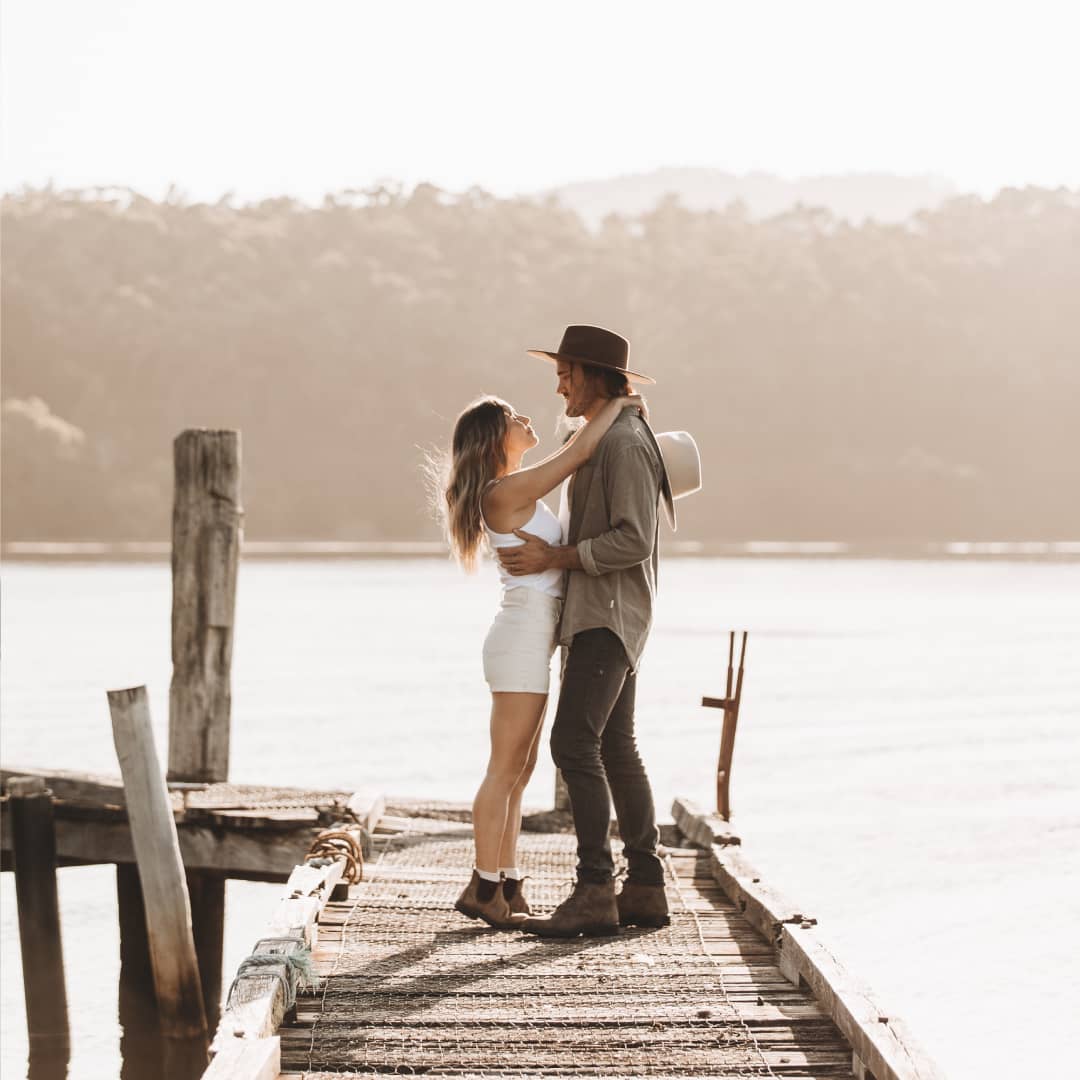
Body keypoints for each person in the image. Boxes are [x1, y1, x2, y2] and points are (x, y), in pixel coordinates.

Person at [437, 387, 646, 929]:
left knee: (521, 771)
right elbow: (576, 455)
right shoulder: (501, 492)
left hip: (530, 639)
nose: (525, 417)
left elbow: (574, 457)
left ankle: (506, 881)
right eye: (511, 416)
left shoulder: (514, 491)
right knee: (504, 770)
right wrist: (615, 409)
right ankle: (484, 887)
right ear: (492, 440)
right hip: (520, 640)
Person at [496, 324, 674, 938]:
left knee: (573, 744)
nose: (559, 383)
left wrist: (556, 558)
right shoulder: (611, 436)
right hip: (609, 614)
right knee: (616, 749)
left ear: (596, 377)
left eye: (567, 372)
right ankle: (645, 887)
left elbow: (633, 539)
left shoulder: (623, 443)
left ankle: (596, 888)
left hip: (607, 613)